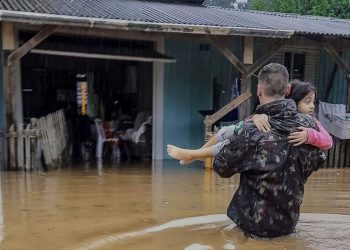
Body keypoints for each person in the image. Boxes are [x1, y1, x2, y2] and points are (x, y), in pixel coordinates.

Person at [211, 63, 326, 238]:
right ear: (288, 89)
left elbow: (221, 167)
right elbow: (319, 159)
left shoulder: (251, 130)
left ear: (258, 90)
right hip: (289, 224)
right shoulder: (309, 125)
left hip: (252, 226)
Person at [167, 80, 332, 164]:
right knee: (228, 130)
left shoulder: (311, 123)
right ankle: (197, 154)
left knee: (231, 142)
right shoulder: (274, 113)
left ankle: (193, 155)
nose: (311, 106)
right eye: (307, 102)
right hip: (271, 151)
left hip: (277, 155)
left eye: (312, 102)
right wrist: (256, 117)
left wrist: (309, 135)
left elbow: (328, 141)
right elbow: (249, 123)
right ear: (291, 98)